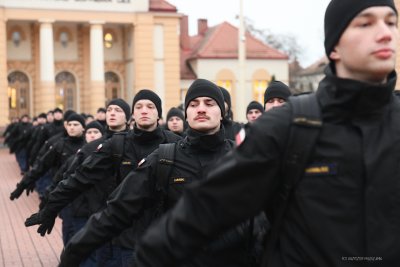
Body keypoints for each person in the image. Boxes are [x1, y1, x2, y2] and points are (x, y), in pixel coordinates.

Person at [133, 1, 400, 266]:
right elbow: (204, 211)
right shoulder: (289, 125)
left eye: (391, 22)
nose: (385, 33)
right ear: (335, 47)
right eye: (365, 23)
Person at [57, 78, 260, 267]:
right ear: (186, 113)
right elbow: (117, 210)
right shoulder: (165, 157)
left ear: (222, 111)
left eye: (209, 103)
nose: (201, 109)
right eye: (194, 104)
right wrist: (74, 252)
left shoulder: (242, 157)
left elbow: (266, 212)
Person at [25, 90, 181, 266]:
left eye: (150, 107)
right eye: (139, 106)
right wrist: (51, 208)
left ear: (158, 113)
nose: (144, 110)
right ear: (133, 114)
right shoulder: (118, 144)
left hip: (166, 237)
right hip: (127, 238)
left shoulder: (175, 144)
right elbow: (80, 178)